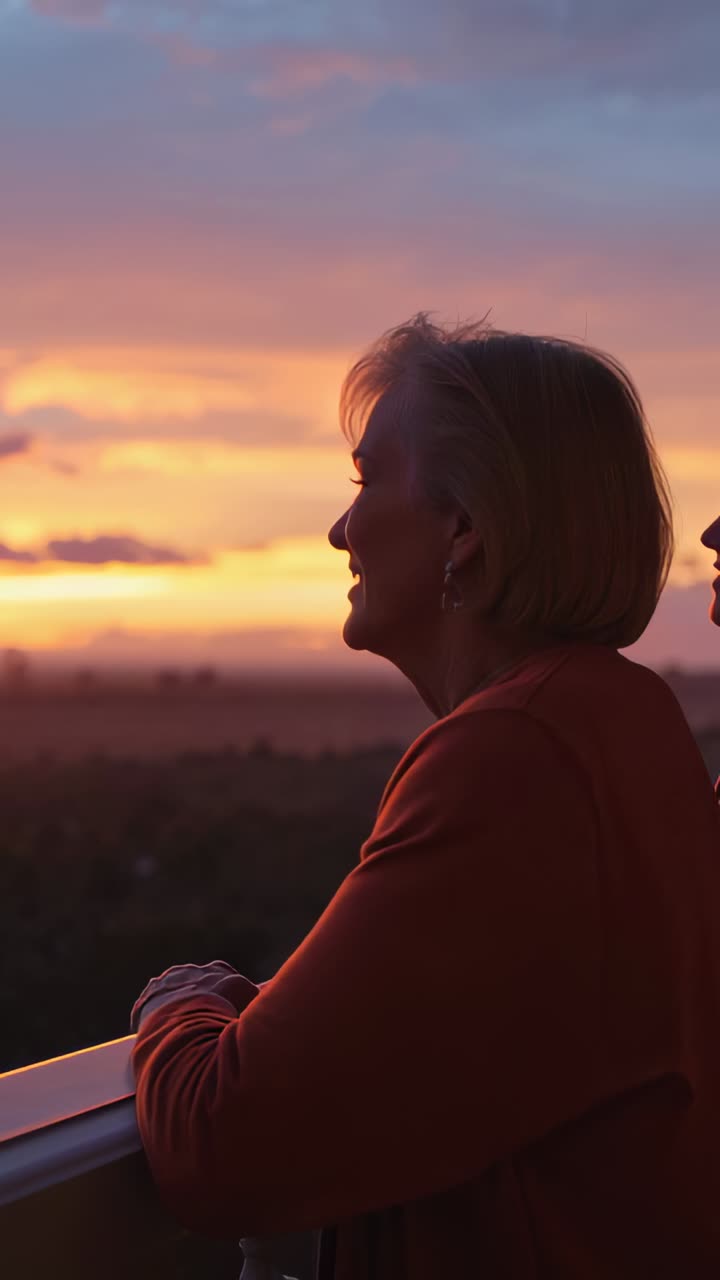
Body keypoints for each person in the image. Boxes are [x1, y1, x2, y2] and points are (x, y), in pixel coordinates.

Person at [131, 314, 720, 1279]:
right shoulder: (629, 717)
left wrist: (181, 1008)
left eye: (365, 481)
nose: (338, 530)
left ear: (466, 528)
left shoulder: (517, 754)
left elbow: (222, 1146)